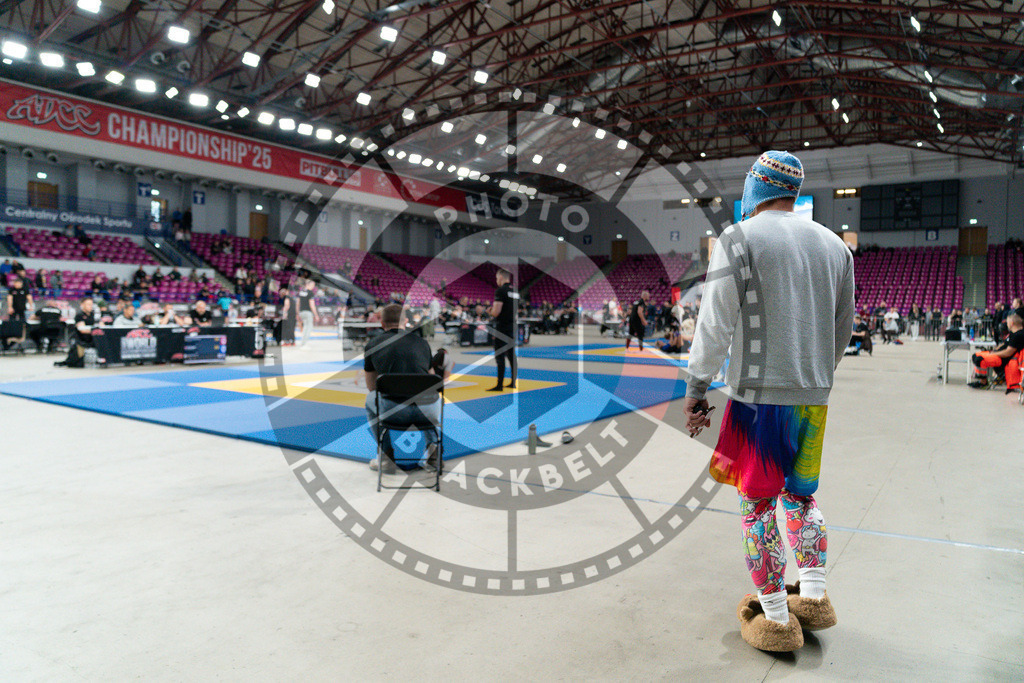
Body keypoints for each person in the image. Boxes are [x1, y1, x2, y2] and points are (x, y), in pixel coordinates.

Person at [683, 151, 853, 652]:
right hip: (812, 397)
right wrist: (816, 375)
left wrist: (697, 388)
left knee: (757, 507)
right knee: (801, 498)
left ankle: (776, 617)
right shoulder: (834, 246)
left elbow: (715, 323)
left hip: (759, 400)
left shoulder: (739, 239)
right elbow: (842, 328)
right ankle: (814, 596)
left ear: (755, 187)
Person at [364, 304, 443, 474]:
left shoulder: (372, 344)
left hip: (394, 413)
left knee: (370, 399)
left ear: (382, 323)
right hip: (427, 412)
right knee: (429, 395)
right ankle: (434, 454)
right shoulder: (422, 343)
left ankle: (386, 457)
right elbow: (432, 382)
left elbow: (371, 387)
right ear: (406, 321)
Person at [969, 313, 1024, 391]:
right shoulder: (1013, 333)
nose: (1007, 324)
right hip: (998, 354)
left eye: (1007, 322)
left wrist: (995, 353)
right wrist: (994, 350)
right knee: (975, 355)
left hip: (1003, 359)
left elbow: (1008, 352)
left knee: (979, 359)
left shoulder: (1018, 335)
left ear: (1012, 323)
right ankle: (981, 379)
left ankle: (983, 382)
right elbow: (1004, 344)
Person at [486, 268, 517, 391]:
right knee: (511, 355)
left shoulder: (500, 291)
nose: (496, 280)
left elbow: (496, 312)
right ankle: (513, 382)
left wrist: (490, 311)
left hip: (502, 327)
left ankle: (499, 385)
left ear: (501, 277)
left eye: (496, 278)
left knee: (500, 356)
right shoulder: (515, 291)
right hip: (512, 326)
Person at [54, 298, 96, 367]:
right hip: (81, 339)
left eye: (91, 304)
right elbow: (82, 330)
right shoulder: (79, 315)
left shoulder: (93, 315)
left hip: (92, 338)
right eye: (88, 304)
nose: (90, 306)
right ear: (82, 305)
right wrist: (94, 330)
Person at [4, 276, 33, 350]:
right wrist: (10, 307)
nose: (16, 285)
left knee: (23, 322)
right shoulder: (12, 290)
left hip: (22, 309)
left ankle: (23, 335)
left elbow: (29, 297)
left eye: (17, 283)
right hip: (14, 309)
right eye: (15, 283)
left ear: (21, 283)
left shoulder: (25, 289)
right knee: (12, 321)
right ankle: (10, 336)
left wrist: (31, 306)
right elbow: (9, 298)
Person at [297, 280, 319, 347]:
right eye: (313, 285)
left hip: (301, 312)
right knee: (309, 327)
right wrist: (316, 315)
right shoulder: (310, 293)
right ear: (308, 284)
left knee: (305, 327)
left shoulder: (301, 292)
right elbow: (312, 305)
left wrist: (297, 313)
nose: (313, 287)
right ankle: (304, 343)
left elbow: (297, 303)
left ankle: (303, 342)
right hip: (308, 312)